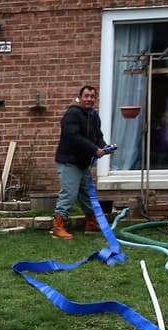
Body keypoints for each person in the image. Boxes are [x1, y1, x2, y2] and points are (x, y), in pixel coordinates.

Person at [53, 85, 115, 238]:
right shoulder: (72, 114)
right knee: (69, 194)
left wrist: (104, 146)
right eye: (86, 96)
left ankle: (91, 223)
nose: (89, 99)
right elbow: (74, 137)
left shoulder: (93, 115)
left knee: (87, 194)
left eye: (92, 96)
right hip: (69, 161)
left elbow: (97, 136)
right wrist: (94, 150)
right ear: (80, 97)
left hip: (83, 162)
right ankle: (58, 227)